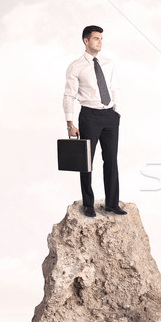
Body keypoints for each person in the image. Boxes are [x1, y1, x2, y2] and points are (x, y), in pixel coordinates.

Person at [63, 25, 126, 217]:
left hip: (110, 116)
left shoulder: (109, 63)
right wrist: (70, 124)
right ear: (86, 40)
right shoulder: (76, 66)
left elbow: (115, 89)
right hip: (89, 116)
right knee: (86, 162)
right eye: (96, 38)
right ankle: (88, 204)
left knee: (111, 160)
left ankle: (112, 203)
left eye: (101, 39)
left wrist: (117, 112)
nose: (100, 42)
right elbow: (68, 96)